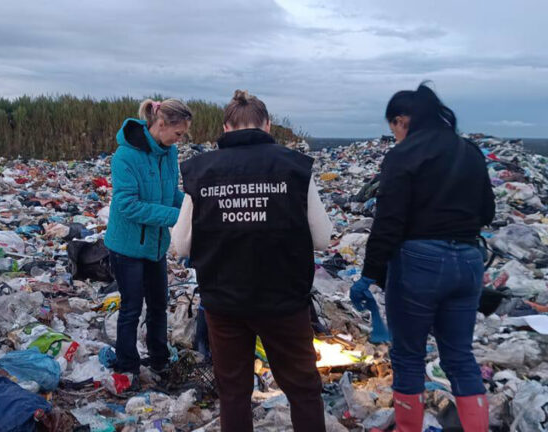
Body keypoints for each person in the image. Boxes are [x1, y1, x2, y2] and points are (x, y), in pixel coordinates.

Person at [173, 90, 332, 432]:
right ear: (268, 124)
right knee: (303, 389)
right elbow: (321, 238)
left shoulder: (201, 171)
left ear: (226, 128)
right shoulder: (294, 167)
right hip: (284, 301)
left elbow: (181, 245)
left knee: (233, 392)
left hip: (223, 301)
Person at [349, 83, 495, 432]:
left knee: (409, 356)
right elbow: (487, 211)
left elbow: (389, 222)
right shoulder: (469, 151)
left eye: (393, 129)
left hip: (420, 264)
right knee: (460, 358)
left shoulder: (404, 155)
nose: (395, 136)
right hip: (468, 262)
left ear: (402, 121)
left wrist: (369, 274)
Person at [104, 98, 192, 377]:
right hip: (127, 246)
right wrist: (175, 216)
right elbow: (126, 205)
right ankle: (127, 365)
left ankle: (159, 359)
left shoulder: (169, 153)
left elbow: (170, 194)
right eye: (179, 133)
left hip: (155, 246)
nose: (181, 139)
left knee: (158, 304)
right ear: (161, 124)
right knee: (131, 308)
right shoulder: (125, 156)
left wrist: (192, 204)